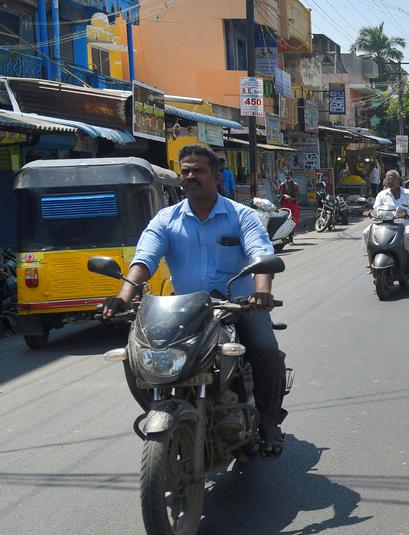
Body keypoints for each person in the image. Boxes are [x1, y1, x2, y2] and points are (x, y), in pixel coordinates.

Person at [101, 145, 288, 457]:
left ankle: (269, 422)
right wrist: (123, 297)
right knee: (135, 353)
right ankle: (158, 409)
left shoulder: (241, 216)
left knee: (265, 349)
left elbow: (261, 254)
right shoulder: (166, 219)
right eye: (185, 171)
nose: (190, 176)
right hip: (188, 309)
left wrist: (262, 291)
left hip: (238, 305)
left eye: (197, 170)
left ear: (216, 175)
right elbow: (144, 260)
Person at [373, 169, 409, 268]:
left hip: (405, 224)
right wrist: (372, 213)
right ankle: (371, 259)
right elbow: (376, 208)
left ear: (398, 180)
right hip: (386, 225)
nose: (389, 181)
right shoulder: (382, 194)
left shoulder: (408, 193)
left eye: (392, 179)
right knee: (367, 232)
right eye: (388, 179)